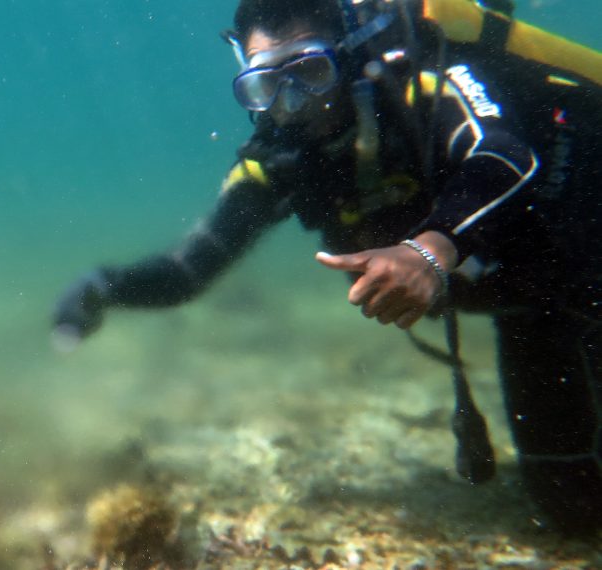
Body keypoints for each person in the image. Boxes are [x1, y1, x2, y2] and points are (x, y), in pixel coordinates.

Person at [52, 0, 602, 533]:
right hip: (535, 300)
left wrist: (429, 251)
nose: (294, 102)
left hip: (587, 241)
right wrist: (104, 287)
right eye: (267, 85)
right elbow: (188, 270)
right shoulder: (276, 163)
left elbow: (504, 155)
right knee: (571, 506)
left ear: (348, 52)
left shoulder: (428, 83)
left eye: (311, 71)